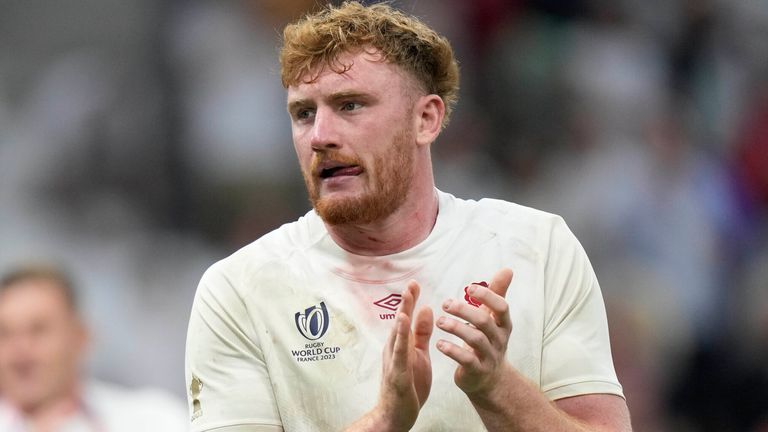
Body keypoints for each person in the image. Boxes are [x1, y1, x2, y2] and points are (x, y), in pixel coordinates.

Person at [184, 2, 632, 431]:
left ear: (426, 120)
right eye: (303, 114)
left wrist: (495, 386)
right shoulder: (239, 291)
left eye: (350, 105)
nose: (319, 135)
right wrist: (387, 419)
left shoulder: (539, 249)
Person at [0, 264, 189, 432]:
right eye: (5, 334)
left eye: (38, 331)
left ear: (81, 337)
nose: (20, 351)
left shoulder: (155, 421)